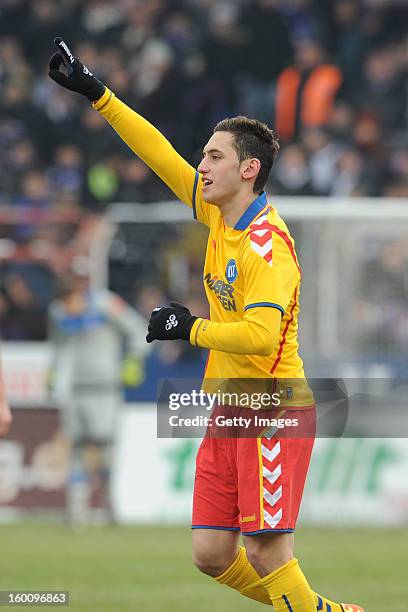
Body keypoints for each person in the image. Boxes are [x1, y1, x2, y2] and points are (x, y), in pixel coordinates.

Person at [48, 37, 364, 611]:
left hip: (272, 407)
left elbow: (263, 336)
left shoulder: (269, 249)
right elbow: (159, 154)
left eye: (214, 156)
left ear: (248, 169)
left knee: (268, 553)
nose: (201, 165)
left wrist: (189, 328)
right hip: (228, 405)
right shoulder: (219, 215)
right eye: (205, 154)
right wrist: (97, 93)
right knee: (212, 554)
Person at [48, 269, 149, 525]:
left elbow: (138, 329)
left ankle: (109, 505)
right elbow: (57, 344)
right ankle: (77, 512)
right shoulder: (58, 313)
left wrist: (133, 360)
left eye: (69, 301)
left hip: (105, 389)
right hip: (75, 389)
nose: (68, 309)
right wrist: (52, 369)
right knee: (77, 447)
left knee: (105, 450)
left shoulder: (105, 305)